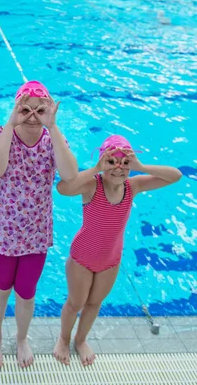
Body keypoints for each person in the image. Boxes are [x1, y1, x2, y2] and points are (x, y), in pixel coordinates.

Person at [53, 135, 181, 366]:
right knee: (76, 303)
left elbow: (175, 175)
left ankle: (80, 341)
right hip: (82, 256)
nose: (118, 169)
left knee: (94, 303)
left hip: (111, 260)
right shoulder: (93, 184)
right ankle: (63, 339)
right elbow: (63, 188)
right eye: (112, 162)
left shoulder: (134, 185)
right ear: (103, 161)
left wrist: (140, 166)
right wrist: (95, 169)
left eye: (125, 163)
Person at [0, 80, 78, 368]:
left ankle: (22, 337)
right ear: (16, 109)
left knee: (26, 292)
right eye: (26, 109)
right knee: (1, 287)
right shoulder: (2, 135)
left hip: (36, 234)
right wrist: (11, 125)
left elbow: (71, 174)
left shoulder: (52, 140)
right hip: (4, 231)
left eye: (40, 110)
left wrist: (54, 126)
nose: (33, 116)